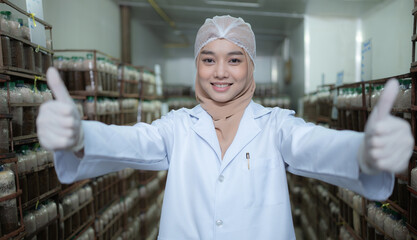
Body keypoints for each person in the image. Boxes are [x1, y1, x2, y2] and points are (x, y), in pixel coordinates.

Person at [36, 15, 413, 240]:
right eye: (208, 59)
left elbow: (312, 145)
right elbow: (133, 141)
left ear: (250, 66)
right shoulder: (179, 127)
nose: (220, 72)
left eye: (234, 59)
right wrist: (82, 135)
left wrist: (362, 152)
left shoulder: (275, 125)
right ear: (196, 65)